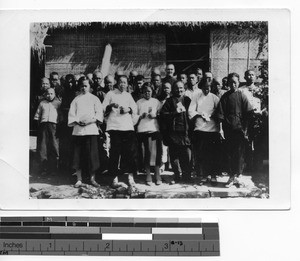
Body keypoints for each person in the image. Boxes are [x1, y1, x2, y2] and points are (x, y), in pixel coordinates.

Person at [217, 73, 253, 187]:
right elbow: (220, 115)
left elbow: (248, 113)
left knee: (240, 154)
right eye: (231, 82)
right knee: (230, 153)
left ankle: (238, 176)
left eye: (235, 82)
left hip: (240, 130)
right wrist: (221, 130)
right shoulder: (225, 96)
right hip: (228, 130)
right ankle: (231, 176)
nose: (233, 84)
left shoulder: (242, 96)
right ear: (228, 83)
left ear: (238, 82)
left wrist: (245, 130)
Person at [102, 75, 138, 188]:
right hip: (115, 127)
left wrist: (129, 109)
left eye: (125, 82)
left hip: (127, 127)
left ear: (127, 84)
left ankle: (130, 177)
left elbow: (135, 108)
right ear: (117, 83)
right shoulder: (110, 94)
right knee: (115, 153)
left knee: (129, 153)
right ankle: (114, 178)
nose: (123, 84)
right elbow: (103, 108)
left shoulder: (128, 95)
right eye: (121, 82)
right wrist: (110, 106)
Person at [68, 76, 103, 188]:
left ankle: (93, 179)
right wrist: (78, 122)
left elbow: (99, 114)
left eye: (86, 85)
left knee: (92, 156)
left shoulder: (94, 99)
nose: (83, 88)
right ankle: (79, 179)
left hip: (91, 130)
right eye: (82, 85)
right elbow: (72, 115)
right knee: (78, 155)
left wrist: (89, 121)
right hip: (78, 131)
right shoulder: (76, 100)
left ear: (90, 87)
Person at [188, 81, 220, 185]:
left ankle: (213, 175)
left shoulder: (214, 97)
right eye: (205, 88)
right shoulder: (196, 97)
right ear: (201, 88)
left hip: (212, 129)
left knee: (213, 154)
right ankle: (202, 175)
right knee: (201, 154)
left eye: (209, 88)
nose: (207, 90)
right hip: (200, 129)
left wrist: (212, 115)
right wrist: (199, 114)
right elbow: (191, 111)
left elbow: (219, 110)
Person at [160, 81, 192, 184]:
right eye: (177, 88)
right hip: (174, 133)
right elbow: (163, 114)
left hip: (185, 132)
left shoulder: (187, 100)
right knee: (174, 156)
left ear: (184, 89)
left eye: (181, 88)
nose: (179, 90)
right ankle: (177, 176)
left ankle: (187, 176)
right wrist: (174, 113)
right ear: (173, 89)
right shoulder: (169, 101)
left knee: (186, 155)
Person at [136, 83, 163, 185]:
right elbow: (134, 115)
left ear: (152, 92)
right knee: (146, 153)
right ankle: (148, 174)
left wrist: (155, 115)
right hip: (143, 130)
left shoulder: (156, 102)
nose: (148, 93)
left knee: (156, 154)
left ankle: (157, 174)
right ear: (143, 92)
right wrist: (140, 116)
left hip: (154, 130)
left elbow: (161, 114)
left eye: (149, 91)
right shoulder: (139, 102)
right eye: (146, 91)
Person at [34, 87, 61, 175]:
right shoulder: (42, 103)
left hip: (54, 126)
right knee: (43, 147)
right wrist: (40, 126)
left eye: (51, 94)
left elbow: (61, 116)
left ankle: (53, 169)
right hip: (43, 125)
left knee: (53, 146)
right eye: (48, 94)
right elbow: (37, 115)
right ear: (45, 95)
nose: (49, 96)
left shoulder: (58, 103)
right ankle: (44, 168)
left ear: (55, 94)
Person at [58, 74, 77, 171]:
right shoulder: (62, 92)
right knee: (64, 144)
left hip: (73, 121)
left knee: (73, 145)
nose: (70, 84)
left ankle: (72, 166)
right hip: (64, 121)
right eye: (68, 82)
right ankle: (63, 166)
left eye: (71, 82)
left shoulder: (76, 93)